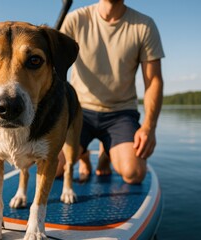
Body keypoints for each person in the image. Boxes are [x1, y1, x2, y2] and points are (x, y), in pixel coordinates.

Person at [56, 0, 164, 184]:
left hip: (120, 113)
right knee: (55, 169)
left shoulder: (144, 25)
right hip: (79, 112)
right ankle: (83, 154)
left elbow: (153, 81)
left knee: (134, 173)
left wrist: (149, 127)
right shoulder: (75, 19)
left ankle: (106, 153)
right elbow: (53, 65)